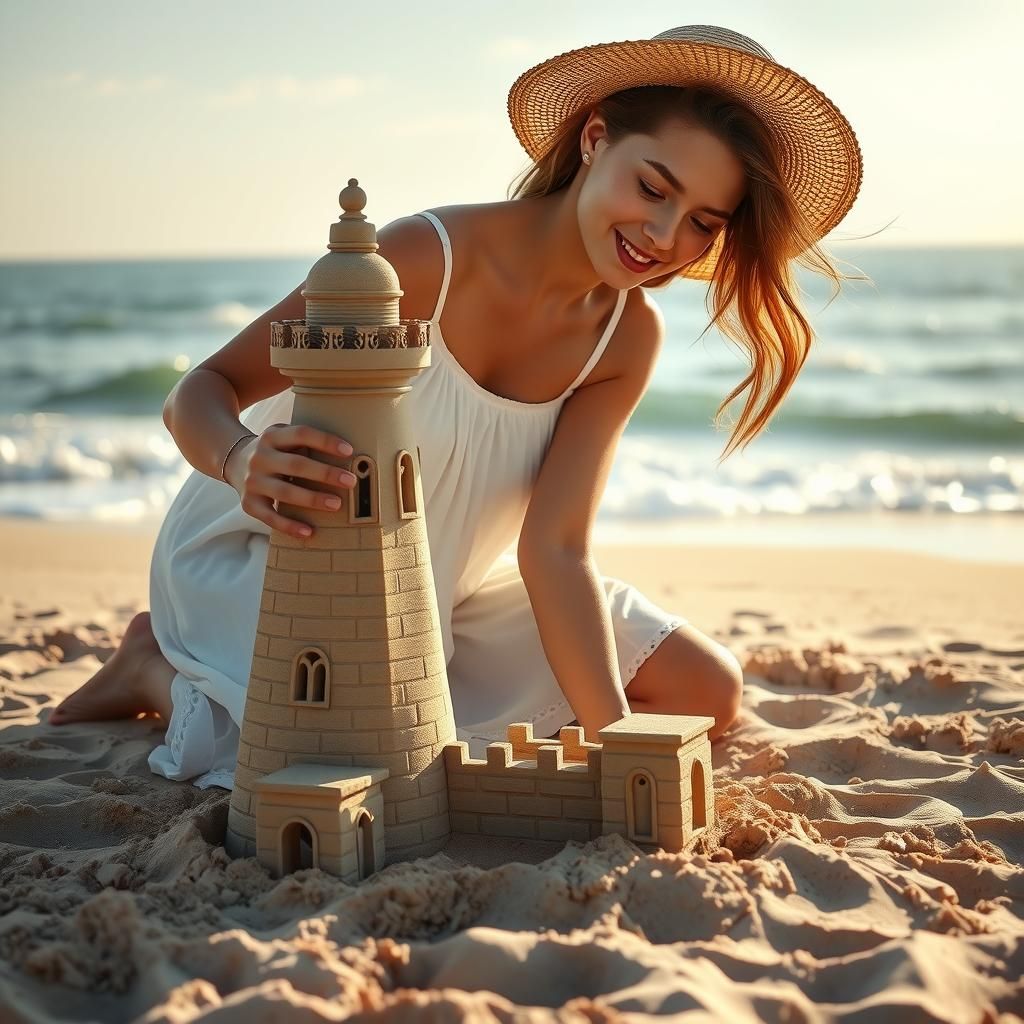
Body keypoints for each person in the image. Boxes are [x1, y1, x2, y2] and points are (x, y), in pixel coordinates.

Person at [49, 24, 864, 787]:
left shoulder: (625, 338)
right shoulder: (420, 258)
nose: (661, 235)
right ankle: (153, 662)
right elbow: (200, 391)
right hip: (281, 562)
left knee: (704, 689)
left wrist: (616, 745)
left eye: (701, 224)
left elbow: (556, 551)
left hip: (439, 594)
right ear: (594, 138)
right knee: (341, 752)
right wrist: (240, 458)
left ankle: (203, 669)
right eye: (654, 187)